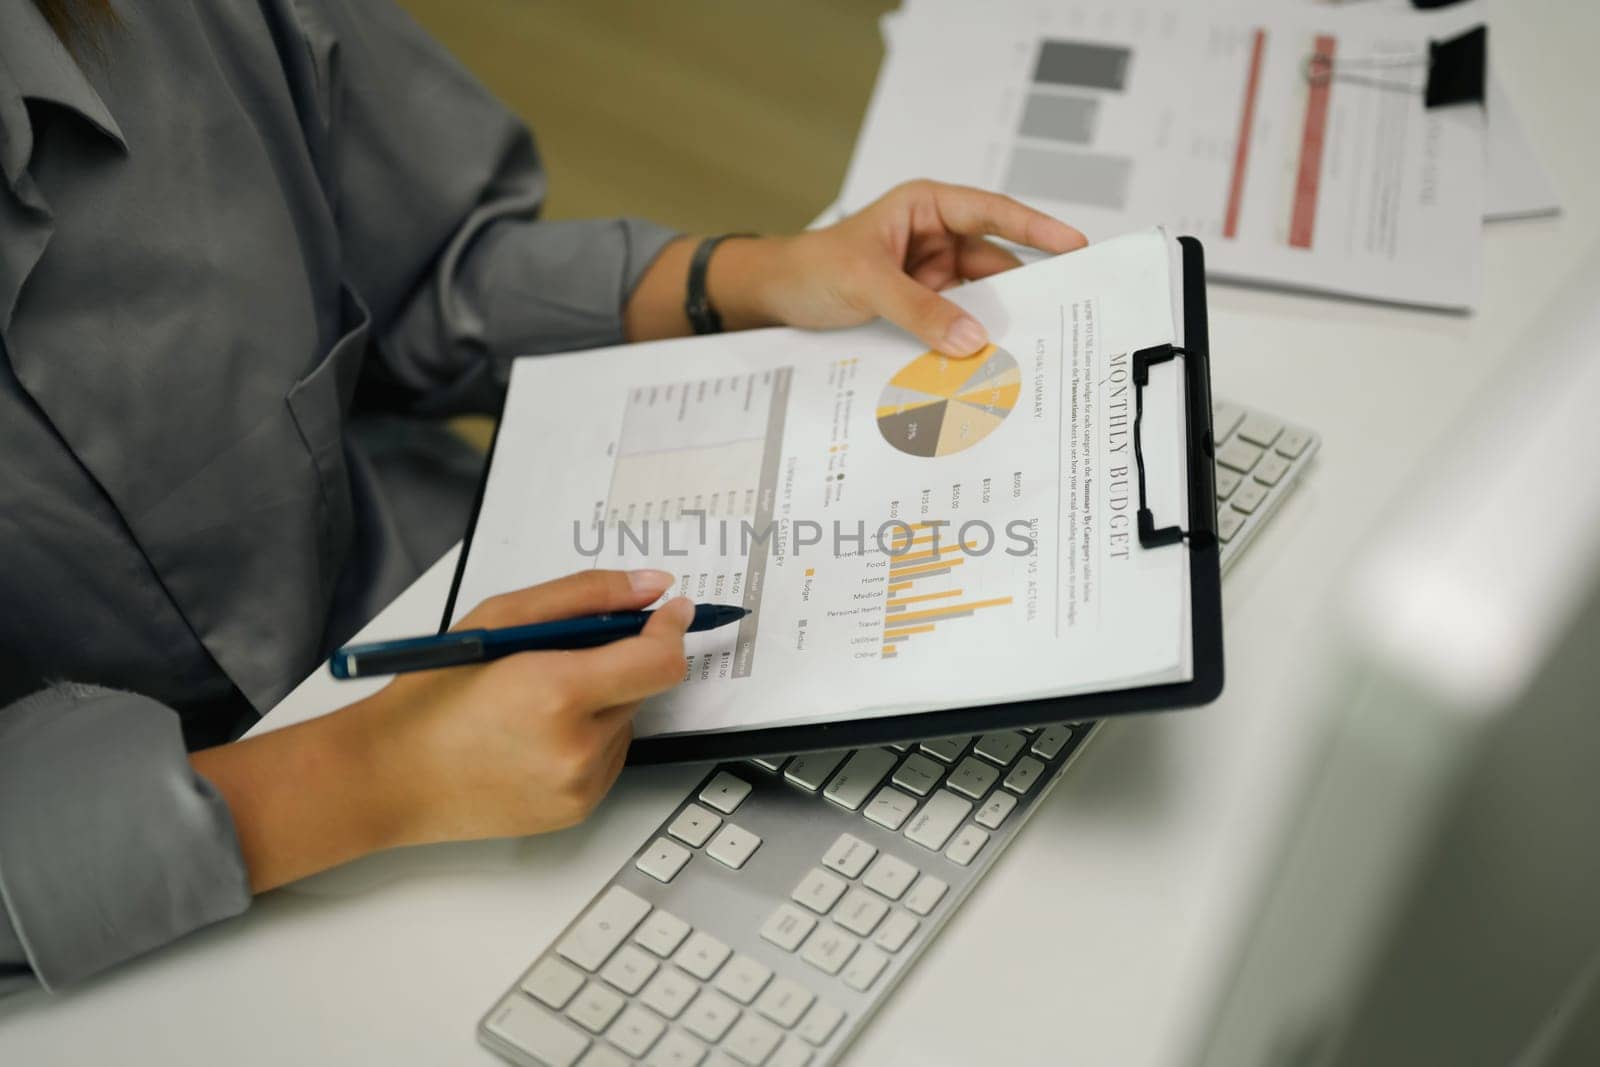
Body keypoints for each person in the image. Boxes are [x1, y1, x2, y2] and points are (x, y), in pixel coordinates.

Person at [0, 0, 1086, 996]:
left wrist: (747, 278)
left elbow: (428, 270)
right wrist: (367, 776)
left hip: (473, 612)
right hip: (129, 972)